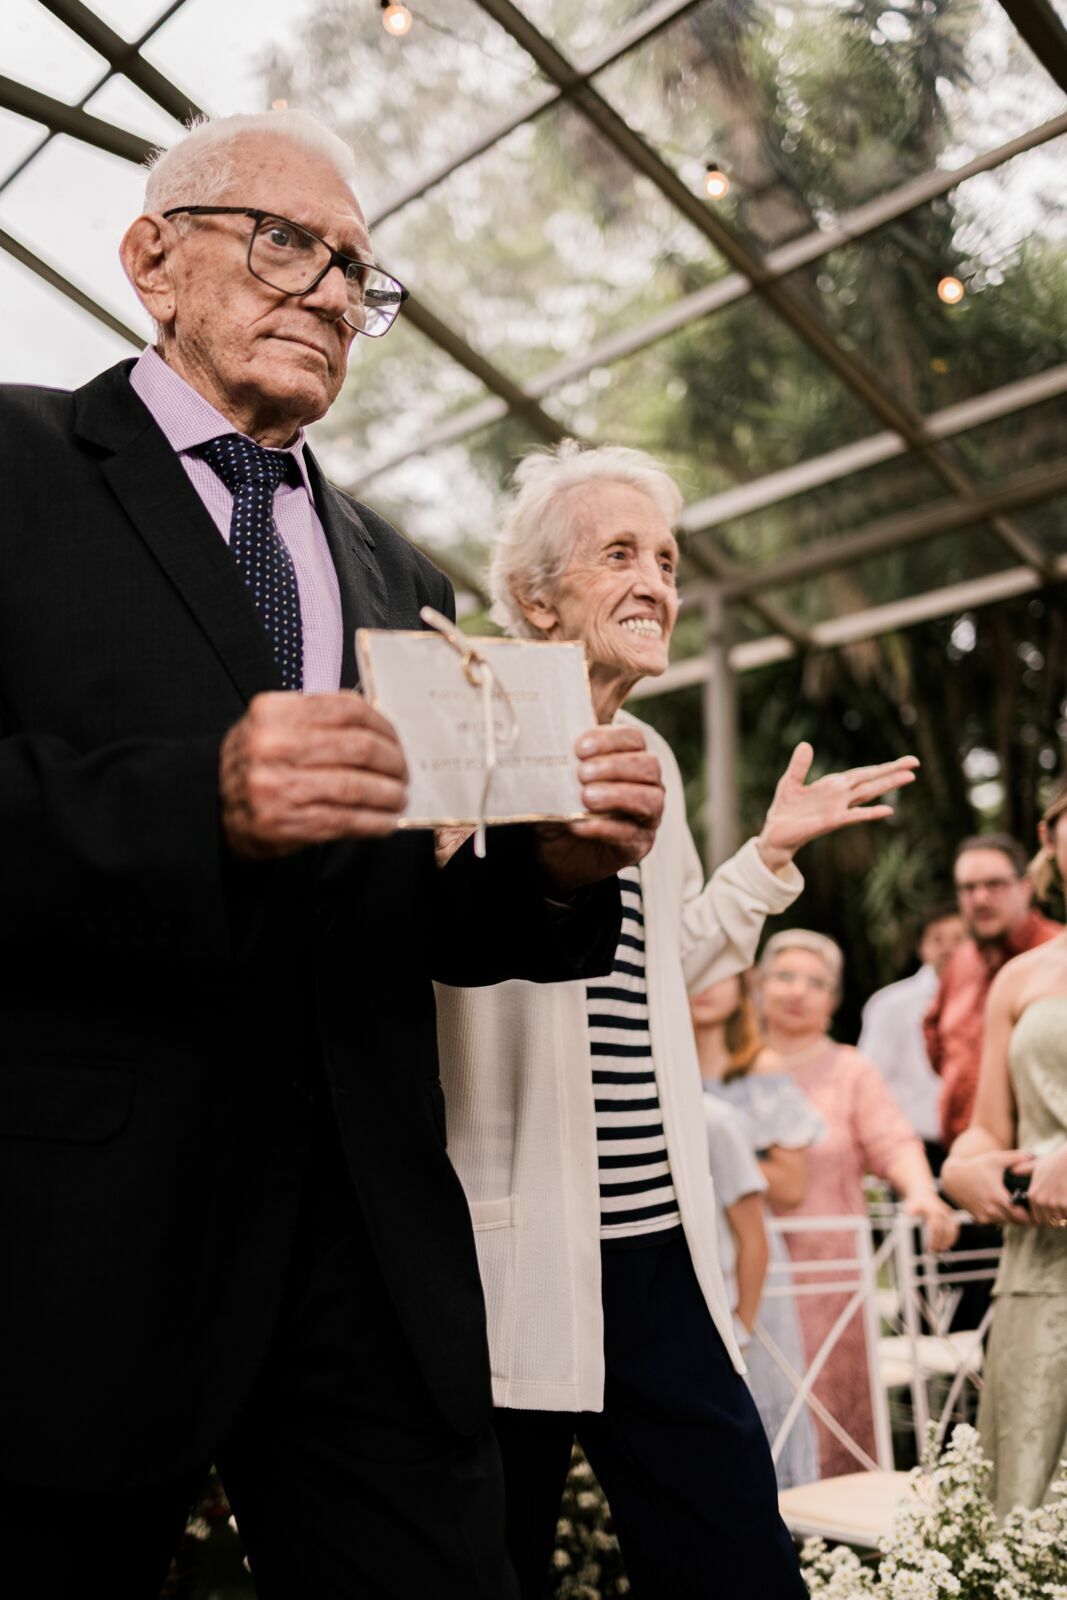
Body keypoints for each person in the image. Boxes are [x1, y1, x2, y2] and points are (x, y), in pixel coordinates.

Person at [0, 112, 670, 1600]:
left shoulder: (403, 576)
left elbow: (415, 909)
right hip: (90, 1250)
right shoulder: (16, 465)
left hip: (370, 1251)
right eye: (284, 239)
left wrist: (555, 866)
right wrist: (198, 804)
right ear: (150, 260)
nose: (325, 289)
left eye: (357, 271)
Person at [435, 440, 921, 1597]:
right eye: (620, 555)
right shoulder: (473, 725)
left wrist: (767, 855)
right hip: (507, 1257)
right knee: (490, 1567)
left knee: (737, 1561)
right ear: (537, 598)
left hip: (656, 1243)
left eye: (665, 557)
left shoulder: (646, 750)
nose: (657, 580)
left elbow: (667, 967)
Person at [757, 929, 959, 1479]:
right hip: (739, 1278)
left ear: (834, 1000)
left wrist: (921, 1192)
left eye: (815, 982)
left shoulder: (851, 1070)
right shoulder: (724, 1063)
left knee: (830, 1423)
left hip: (829, 1281)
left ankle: (829, 1557)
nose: (798, 991)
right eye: (785, 976)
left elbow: (893, 1141)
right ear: (757, 985)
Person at [941, 779, 1067, 1516]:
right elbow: (989, 1124)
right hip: (1038, 1272)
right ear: (1050, 843)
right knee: (1015, 1506)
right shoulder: (1022, 978)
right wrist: (963, 1164)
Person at [692, 973, 824, 1489]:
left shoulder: (760, 1069)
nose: (704, 985)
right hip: (688, 1242)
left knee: (762, 1386)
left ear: (744, 987)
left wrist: (715, 1157)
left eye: (719, 973)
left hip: (749, 1247)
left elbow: (790, 1184)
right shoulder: (659, 1065)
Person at [925, 834, 1061, 1148]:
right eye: (968, 888)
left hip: (1041, 1163)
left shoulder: (1055, 959)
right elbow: (935, 1040)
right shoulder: (959, 962)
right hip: (968, 1158)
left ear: (1026, 887)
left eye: (995, 885)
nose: (980, 899)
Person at [859, 905, 966, 1172]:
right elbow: (870, 1080)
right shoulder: (890, 1004)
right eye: (937, 939)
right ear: (922, 947)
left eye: (958, 938)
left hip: (977, 1147)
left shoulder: (995, 997)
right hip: (913, 1148)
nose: (948, 948)